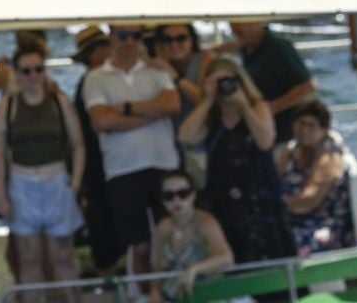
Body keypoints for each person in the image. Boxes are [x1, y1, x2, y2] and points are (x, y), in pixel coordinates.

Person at [82, 23, 182, 276]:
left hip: (164, 165)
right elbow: (102, 121)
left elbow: (172, 105)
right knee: (139, 246)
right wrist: (152, 112)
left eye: (136, 36)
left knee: (172, 238)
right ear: (112, 38)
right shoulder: (95, 78)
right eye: (124, 36)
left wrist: (124, 109)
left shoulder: (156, 69)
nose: (130, 42)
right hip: (122, 170)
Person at [0, 45, 87, 299]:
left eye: (38, 69)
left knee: (64, 256)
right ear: (17, 73)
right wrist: (1, 196)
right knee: (29, 258)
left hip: (57, 183)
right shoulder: (9, 105)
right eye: (26, 71)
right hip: (22, 185)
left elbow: (78, 145)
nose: (33, 76)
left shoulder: (60, 102)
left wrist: (75, 185)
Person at [179, 56, 293, 265]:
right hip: (224, 197)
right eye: (217, 82)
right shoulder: (210, 116)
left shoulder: (258, 107)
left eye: (228, 81)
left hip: (259, 196)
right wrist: (207, 99)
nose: (224, 87)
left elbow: (265, 141)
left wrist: (243, 106)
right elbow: (185, 137)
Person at [69, 24, 120, 272]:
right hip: (97, 167)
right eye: (100, 47)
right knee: (105, 223)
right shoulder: (91, 82)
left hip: (105, 164)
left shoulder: (95, 81)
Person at [278, 101, 353, 256]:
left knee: (283, 242)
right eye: (301, 123)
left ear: (323, 130)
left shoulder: (328, 159)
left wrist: (273, 206)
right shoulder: (289, 151)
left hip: (320, 223)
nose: (304, 130)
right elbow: (273, 182)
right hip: (288, 216)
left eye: (311, 126)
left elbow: (307, 201)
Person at [146, 173, 235, 303]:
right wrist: (154, 291)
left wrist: (194, 269)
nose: (176, 200)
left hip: (208, 295)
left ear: (193, 195)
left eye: (183, 194)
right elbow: (157, 266)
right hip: (173, 295)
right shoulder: (163, 226)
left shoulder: (205, 222)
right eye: (168, 196)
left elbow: (226, 257)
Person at [230, 21, 319, 143]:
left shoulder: (278, 47)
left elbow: (308, 87)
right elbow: (233, 46)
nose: (234, 28)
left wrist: (271, 109)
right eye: (232, 24)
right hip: (262, 128)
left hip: (284, 128)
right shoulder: (246, 47)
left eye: (238, 24)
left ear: (256, 23)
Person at [155, 24, 212, 185]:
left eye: (181, 38)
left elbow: (204, 99)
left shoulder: (204, 58)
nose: (174, 44)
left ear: (192, 40)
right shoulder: (159, 65)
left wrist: (176, 78)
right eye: (168, 40)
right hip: (171, 150)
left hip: (202, 148)